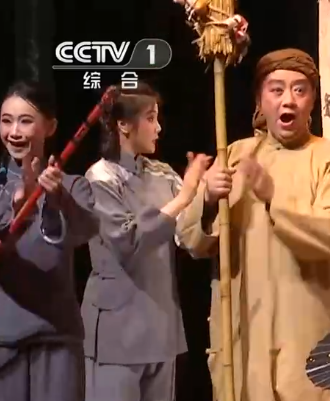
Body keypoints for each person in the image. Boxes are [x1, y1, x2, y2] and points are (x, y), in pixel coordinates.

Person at [177, 48, 330, 401]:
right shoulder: (235, 155)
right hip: (245, 339)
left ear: (312, 100)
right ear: (260, 101)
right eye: (276, 90)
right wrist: (207, 199)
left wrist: (274, 197)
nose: (288, 100)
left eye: (299, 90)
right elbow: (192, 242)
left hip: (308, 335)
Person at [81, 83, 211, 401]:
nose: (159, 128)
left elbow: (188, 230)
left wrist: (209, 193)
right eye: (150, 118)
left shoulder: (162, 174)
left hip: (161, 325)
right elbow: (129, 242)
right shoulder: (100, 178)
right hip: (116, 332)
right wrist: (185, 196)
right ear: (124, 125)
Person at [0, 80, 98, 401]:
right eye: (6, 121)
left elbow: (85, 231)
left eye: (26, 121)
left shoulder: (73, 185)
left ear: (50, 127)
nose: (14, 132)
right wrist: (19, 212)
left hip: (58, 339)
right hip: (3, 340)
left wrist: (57, 199)